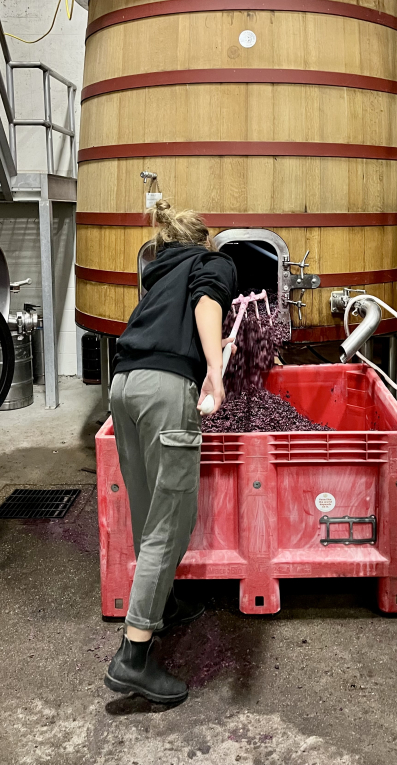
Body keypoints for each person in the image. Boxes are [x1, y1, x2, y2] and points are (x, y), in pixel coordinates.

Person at [105, 199, 237, 704]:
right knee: (171, 519)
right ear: (205, 239)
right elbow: (208, 305)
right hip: (165, 390)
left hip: (123, 386)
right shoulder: (213, 261)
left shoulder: (157, 272)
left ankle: (168, 601)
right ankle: (133, 655)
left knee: (146, 511)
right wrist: (216, 372)